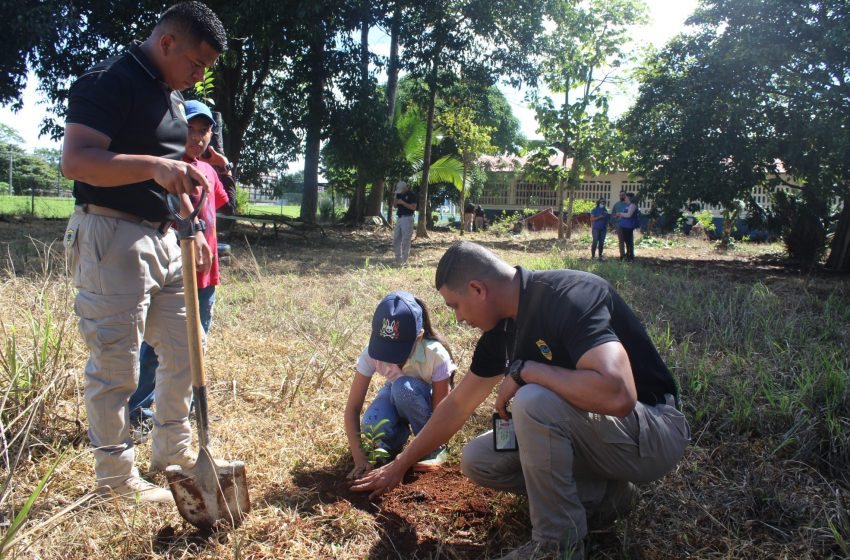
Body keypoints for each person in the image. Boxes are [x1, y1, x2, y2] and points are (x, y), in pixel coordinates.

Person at [352, 241, 690, 559]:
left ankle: (556, 546)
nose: (459, 319)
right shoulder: (500, 334)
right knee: (478, 458)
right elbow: (456, 407)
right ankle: (606, 498)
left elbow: (620, 394)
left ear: (478, 289)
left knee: (532, 400)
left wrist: (526, 371)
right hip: (600, 441)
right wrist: (400, 464)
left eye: (455, 306)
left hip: (653, 433)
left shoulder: (569, 296)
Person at [61, 2, 227, 503]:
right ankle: (116, 478)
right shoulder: (109, 81)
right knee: (116, 361)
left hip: (167, 236)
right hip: (112, 234)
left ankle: (173, 452)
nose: (198, 77)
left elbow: (175, 173)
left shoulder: (171, 98)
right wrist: (154, 166)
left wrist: (192, 226)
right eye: (196, 63)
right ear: (167, 43)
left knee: (184, 348)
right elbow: (77, 160)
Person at [128, 100, 233, 438]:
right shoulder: (168, 167)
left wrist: (224, 164)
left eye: (204, 131)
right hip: (175, 273)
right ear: (177, 130)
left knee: (196, 345)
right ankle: (139, 410)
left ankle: (188, 409)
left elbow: (223, 201)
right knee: (158, 345)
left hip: (206, 276)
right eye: (190, 129)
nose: (197, 136)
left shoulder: (208, 171)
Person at [345, 291, 456, 480]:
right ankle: (390, 444)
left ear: (419, 336)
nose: (389, 356)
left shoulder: (435, 355)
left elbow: (441, 412)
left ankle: (432, 448)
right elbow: (352, 408)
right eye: (385, 348)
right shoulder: (371, 353)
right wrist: (359, 455)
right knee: (372, 424)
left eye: (397, 350)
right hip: (394, 392)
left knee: (402, 388)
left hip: (423, 401)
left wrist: (438, 439)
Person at [392, 180, 417, 265]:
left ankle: (404, 260)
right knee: (396, 239)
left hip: (408, 218)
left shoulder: (411, 195)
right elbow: (394, 206)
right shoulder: (399, 194)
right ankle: (398, 259)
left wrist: (403, 202)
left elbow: (413, 207)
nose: (400, 192)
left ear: (405, 188)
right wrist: (396, 198)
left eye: (401, 190)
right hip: (399, 218)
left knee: (406, 240)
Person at [615, 192, 639, 262]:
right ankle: (627, 256)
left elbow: (629, 215)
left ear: (628, 198)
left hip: (629, 226)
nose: (624, 198)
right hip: (625, 226)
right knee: (626, 241)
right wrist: (619, 215)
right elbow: (625, 214)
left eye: (625, 197)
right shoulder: (627, 205)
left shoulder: (633, 205)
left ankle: (630, 257)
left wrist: (620, 213)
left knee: (629, 242)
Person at [611, 190, 629, 260]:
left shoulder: (628, 204)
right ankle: (622, 255)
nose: (621, 196)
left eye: (623, 195)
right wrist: (615, 217)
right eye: (620, 195)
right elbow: (613, 214)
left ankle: (629, 255)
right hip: (619, 224)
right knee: (621, 241)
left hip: (628, 225)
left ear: (625, 195)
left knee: (628, 240)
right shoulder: (616, 204)